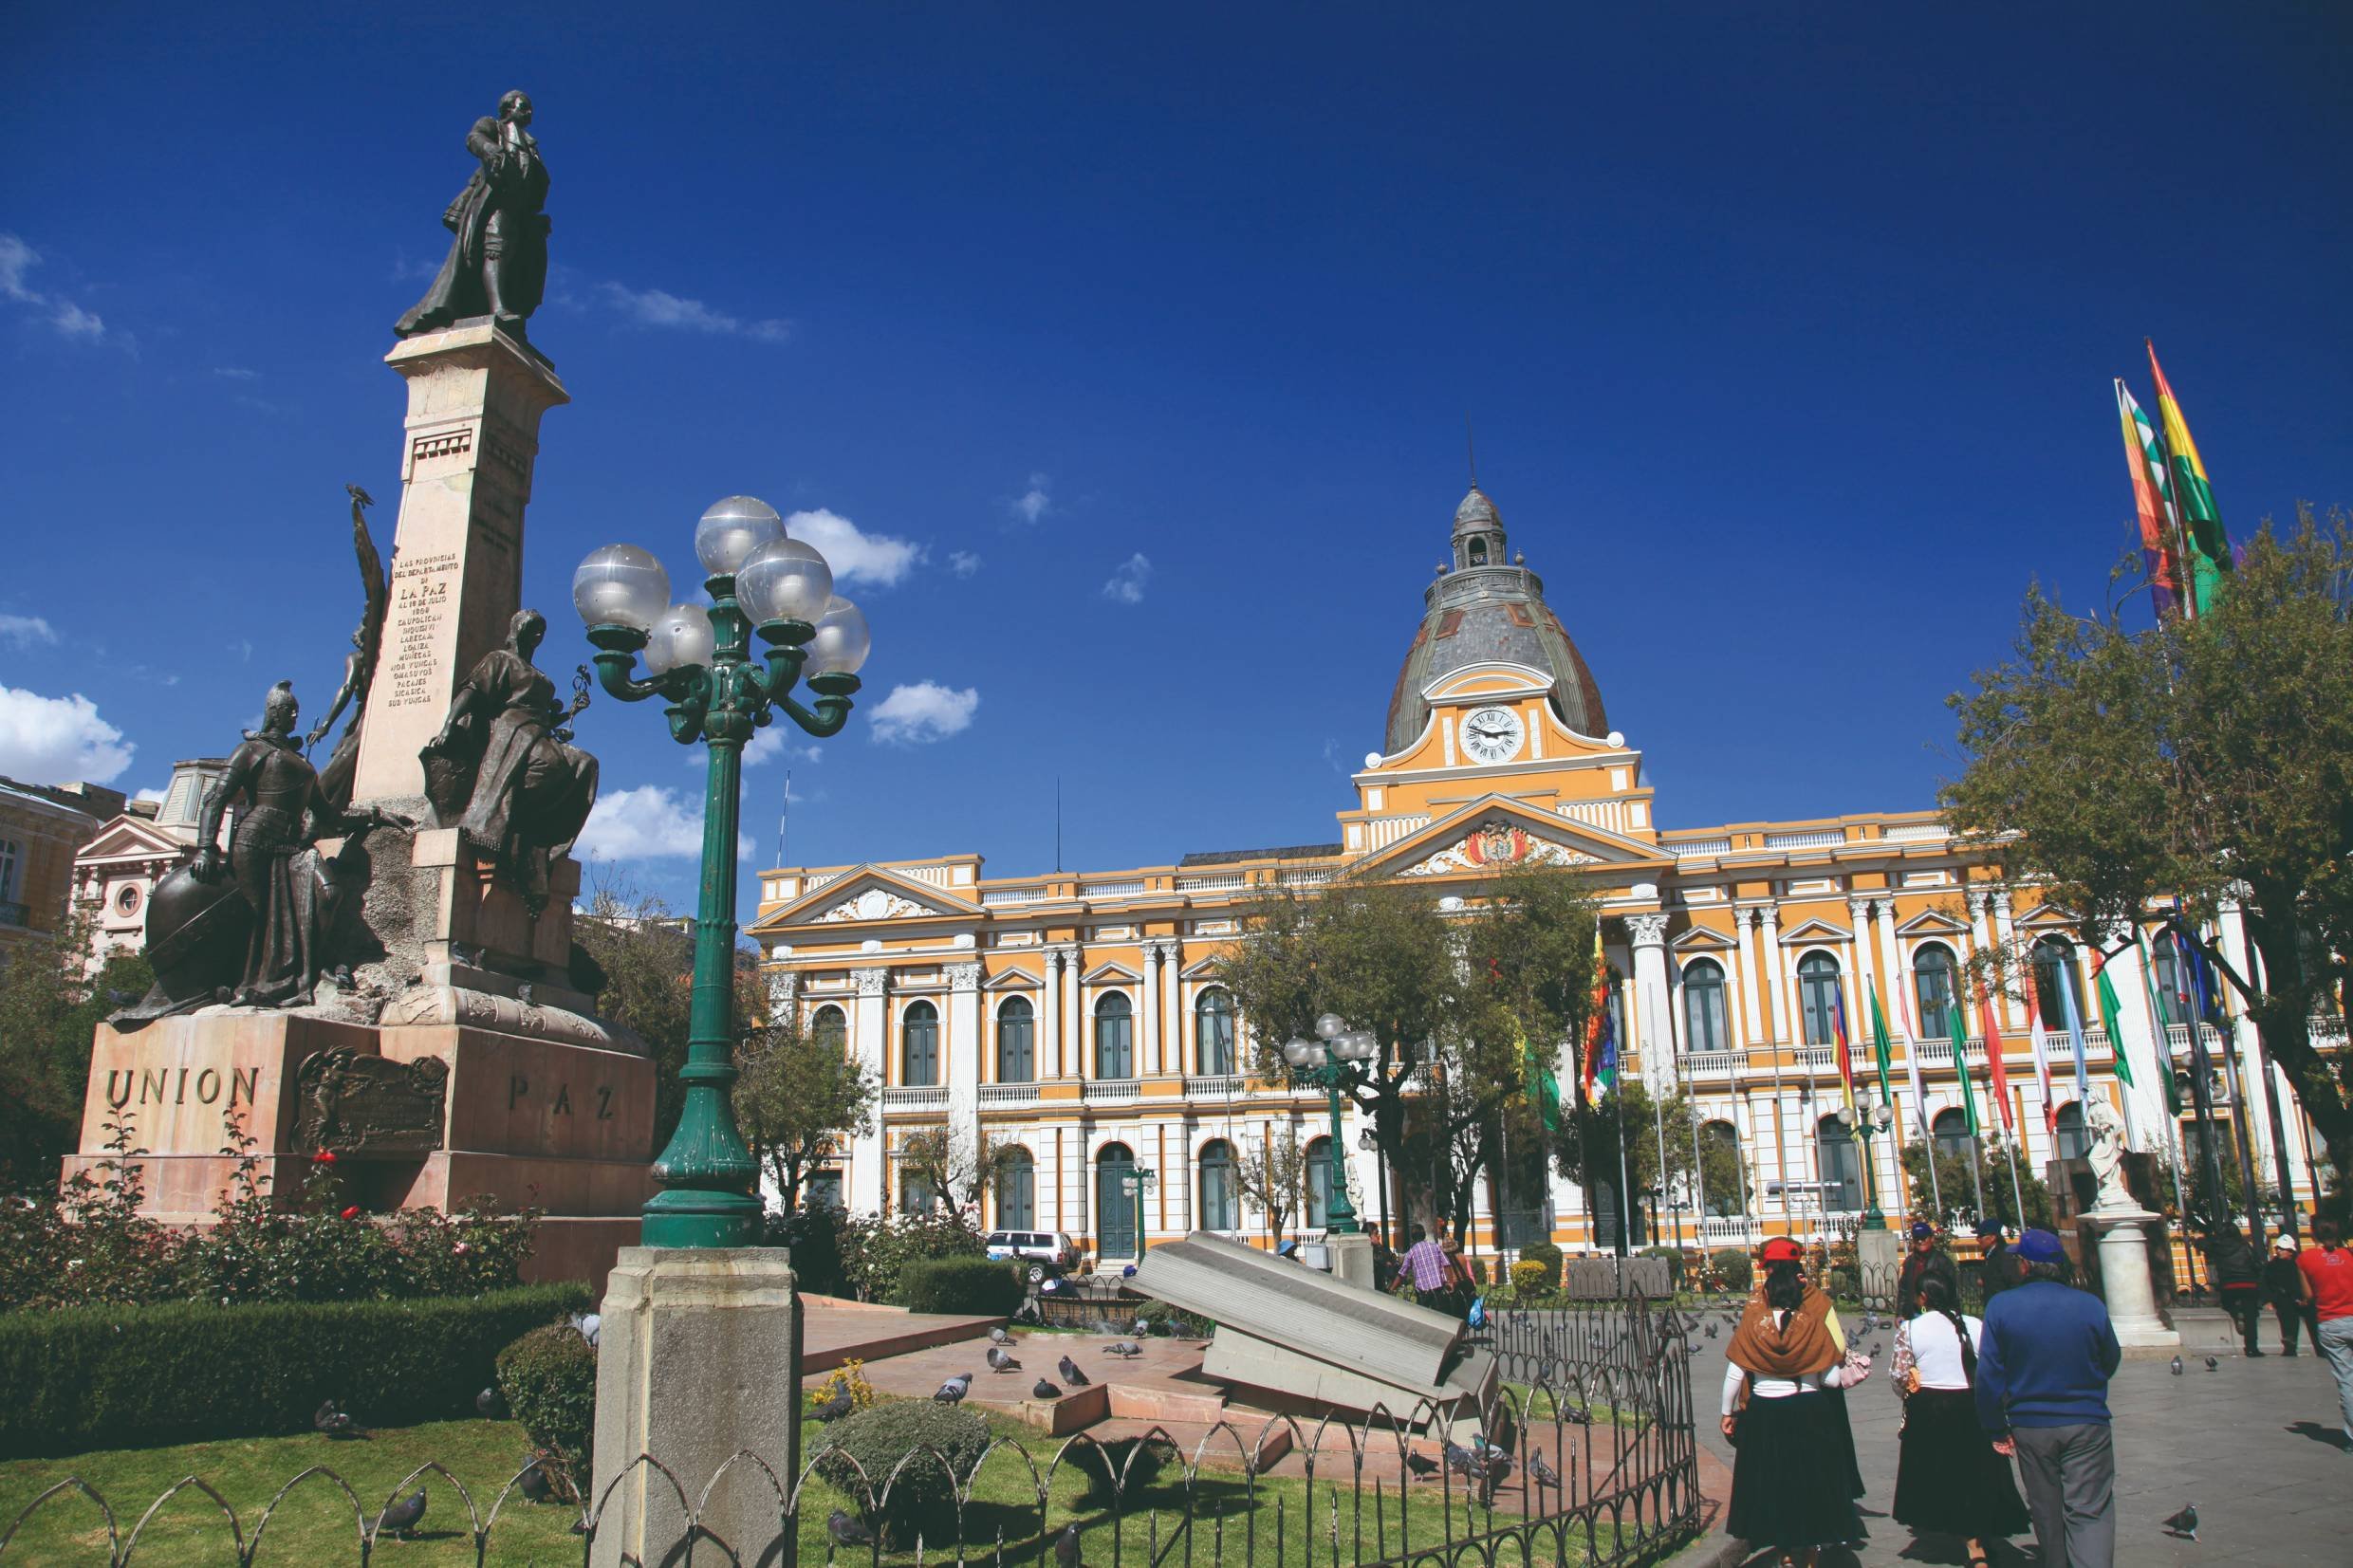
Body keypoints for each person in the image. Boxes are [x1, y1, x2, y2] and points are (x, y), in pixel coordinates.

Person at [421, 609, 598, 915]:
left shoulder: (538, 673)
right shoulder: (500, 659)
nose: (539, 636)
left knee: (585, 764)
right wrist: (449, 725)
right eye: (533, 629)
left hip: (538, 733)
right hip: (513, 732)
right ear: (519, 630)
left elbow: (543, 714)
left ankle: (536, 830)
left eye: (542, 631)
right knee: (549, 764)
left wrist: (571, 712)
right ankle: (509, 816)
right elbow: (472, 691)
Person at [1976, 1228, 2121, 1568]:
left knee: (2045, 1506)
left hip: (2030, 1423)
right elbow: (2110, 1358)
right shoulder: (2090, 1305)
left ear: (2025, 1265)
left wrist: (1996, 1426)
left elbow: (1989, 1375)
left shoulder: (2002, 1306)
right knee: (2090, 1508)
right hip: (2087, 1419)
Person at [1724, 1236, 1868, 1566]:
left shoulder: (1756, 1305)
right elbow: (1838, 1349)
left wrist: (1729, 1409)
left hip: (1763, 1402)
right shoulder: (1818, 1304)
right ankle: (1813, 1546)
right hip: (1813, 1401)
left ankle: (1785, 1546)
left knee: (1773, 1478)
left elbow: (1737, 1366)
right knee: (1815, 1478)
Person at [1892, 1275, 2029, 1568]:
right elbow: (1994, 1367)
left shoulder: (1911, 1328)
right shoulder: (1975, 1325)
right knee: (1976, 1472)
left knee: (1940, 1473)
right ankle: (1978, 1534)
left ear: (1923, 1298)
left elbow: (1899, 1375)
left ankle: (1961, 1534)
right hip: (1972, 1403)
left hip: (1931, 1406)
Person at [2298, 1217, 2353, 1447]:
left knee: (2347, 1380)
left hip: (2330, 1322)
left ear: (2313, 1235)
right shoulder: (2349, 1255)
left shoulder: (2305, 1259)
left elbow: (2308, 1295)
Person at [2201, 1219, 2265, 1356]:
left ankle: (2236, 1313)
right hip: (2248, 1283)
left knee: (2227, 1302)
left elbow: (2201, 1243)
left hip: (2228, 1284)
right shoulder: (2244, 1245)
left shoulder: (2217, 1246)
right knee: (2251, 1316)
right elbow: (2256, 1263)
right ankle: (2252, 1348)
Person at [2262, 1233, 2315, 1356]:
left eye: (2282, 1249)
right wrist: (2269, 1300)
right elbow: (2265, 1283)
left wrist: (2305, 1298)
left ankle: (2318, 1345)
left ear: (2290, 1251)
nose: (2279, 1251)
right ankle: (2289, 1346)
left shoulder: (2298, 1263)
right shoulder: (2271, 1266)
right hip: (2283, 1299)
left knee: (2312, 1320)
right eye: (2278, 1249)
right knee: (2287, 1322)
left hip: (2301, 1298)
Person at [1400, 1221, 1467, 1316]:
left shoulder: (1411, 1252)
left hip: (1424, 1294)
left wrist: (1392, 1288)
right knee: (1441, 1315)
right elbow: (1446, 1264)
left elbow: (1402, 1273)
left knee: (1424, 1317)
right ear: (1424, 1235)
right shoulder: (1435, 1247)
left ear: (1412, 1237)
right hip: (1439, 1291)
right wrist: (1450, 1282)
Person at [1899, 1221, 1959, 1318]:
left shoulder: (1942, 1261)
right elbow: (1903, 1289)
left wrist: (1951, 1313)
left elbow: (1951, 1291)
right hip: (1913, 1312)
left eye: (1923, 1238)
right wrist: (1900, 1314)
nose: (1920, 1241)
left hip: (1937, 1313)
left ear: (1932, 1239)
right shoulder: (1909, 1261)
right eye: (1916, 1239)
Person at [1976, 1218, 2024, 1303]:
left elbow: (2014, 1283)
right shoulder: (1989, 1256)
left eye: (1980, 1236)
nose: (1977, 1239)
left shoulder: (2005, 1255)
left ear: (1992, 1238)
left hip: (2006, 1306)